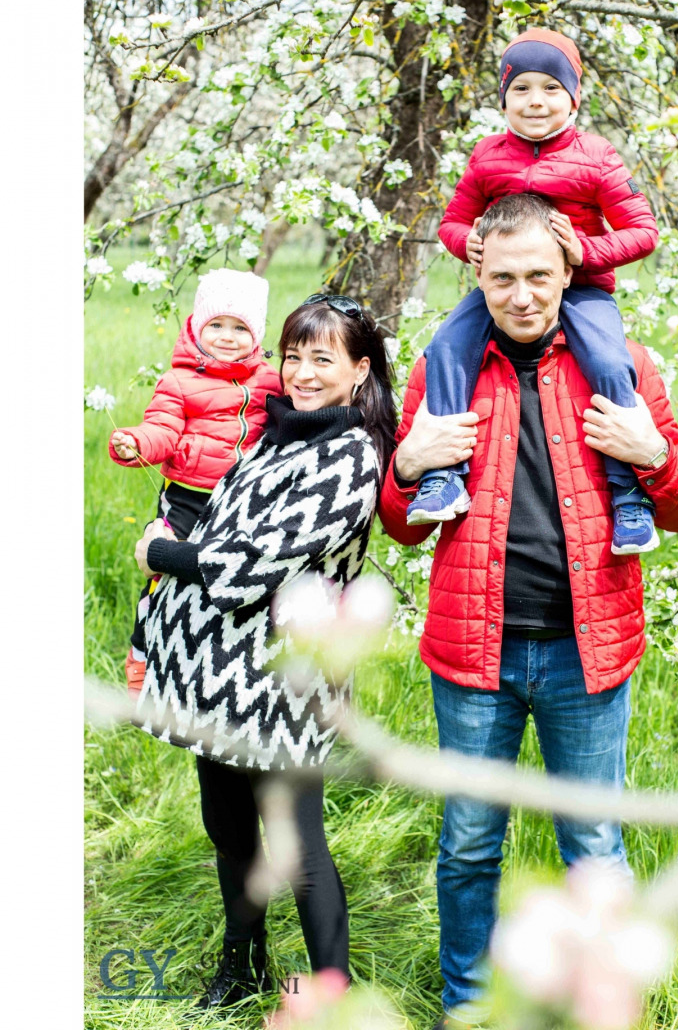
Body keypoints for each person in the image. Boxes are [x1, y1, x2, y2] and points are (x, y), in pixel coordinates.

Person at [377, 194, 678, 1030]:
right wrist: (407, 465)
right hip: (473, 654)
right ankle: (469, 1006)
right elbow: (400, 525)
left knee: (593, 849)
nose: (521, 296)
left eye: (537, 277)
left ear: (568, 273)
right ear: (477, 277)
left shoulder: (620, 364)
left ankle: (599, 1005)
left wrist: (654, 456)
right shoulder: (441, 370)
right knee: (468, 847)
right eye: (501, 279)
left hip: (584, 652)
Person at [132, 295, 397, 1011]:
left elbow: (248, 565)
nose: (303, 373)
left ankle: (332, 1000)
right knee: (227, 832)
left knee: (300, 850)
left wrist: (159, 551)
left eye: (323, 359)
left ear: (359, 370)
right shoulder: (274, 431)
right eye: (294, 356)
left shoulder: (351, 458)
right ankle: (242, 968)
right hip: (210, 672)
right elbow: (217, 517)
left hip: (281, 684)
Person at [408, 27, 661, 557]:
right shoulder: (488, 155)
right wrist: (470, 243)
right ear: (504, 98)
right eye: (521, 88)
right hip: (504, 287)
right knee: (448, 349)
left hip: (583, 290)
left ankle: (628, 496)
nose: (535, 101)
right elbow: (451, 224)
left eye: (550, 87)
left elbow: (643, 231)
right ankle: (445, 476)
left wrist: (585, 250)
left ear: (573, 96)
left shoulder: (595, 156)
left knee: (611, 363)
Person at [109, 267, 282, 694]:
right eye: (216, 325)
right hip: (187, 496)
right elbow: (163, 429)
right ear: (196, 327)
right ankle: (142, 654)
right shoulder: (179, 382)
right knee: (162, 570)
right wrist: (136, 443)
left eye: (240, 327)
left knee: (225, 577)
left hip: (243, 498)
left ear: (256, 334)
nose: (227, 336)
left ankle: (216, 659)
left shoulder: (270, 382)